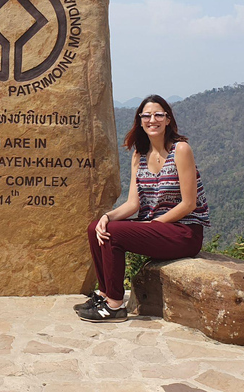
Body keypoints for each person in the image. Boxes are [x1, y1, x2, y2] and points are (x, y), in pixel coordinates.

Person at [76, 94, 209, 323]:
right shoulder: (140, 155)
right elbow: (133, 204)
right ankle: (105, 294)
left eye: (159, 114)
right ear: (139, 120)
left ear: (168, 119)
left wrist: (153, 224)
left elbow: (189, 204)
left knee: (115, 234)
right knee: (95, 227)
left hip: (184, 232)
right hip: (155, 229)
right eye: (146, 115)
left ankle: (115, 306)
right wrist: (106, 216)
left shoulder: (181, 150)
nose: (152, 119)